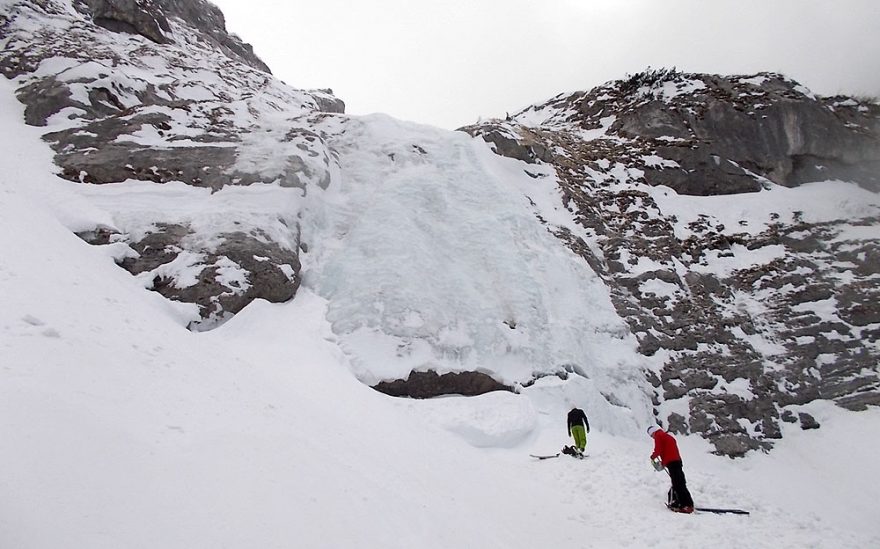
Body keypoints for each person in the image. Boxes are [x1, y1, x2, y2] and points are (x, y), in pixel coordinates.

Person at [647, 425, 694, 513]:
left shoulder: (658, 436)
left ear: (653, 432)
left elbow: (658, 449)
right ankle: (686, 503)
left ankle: (685, 505)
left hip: (671, 462)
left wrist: (653, 457)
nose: (652, 438)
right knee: (680, 483)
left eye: (651, 435)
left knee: (677, 484)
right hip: (677, 461)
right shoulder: (668, 436)